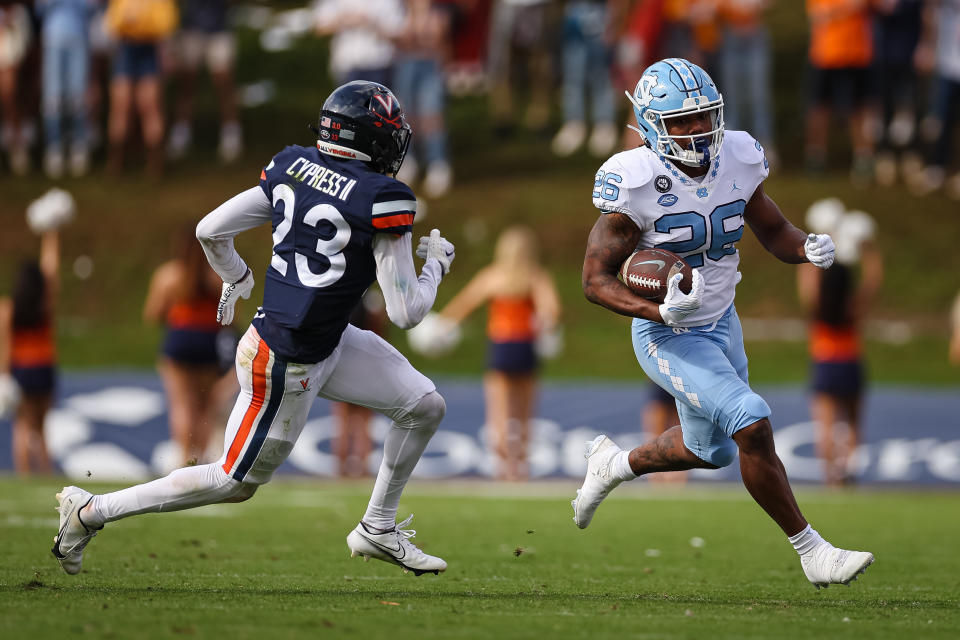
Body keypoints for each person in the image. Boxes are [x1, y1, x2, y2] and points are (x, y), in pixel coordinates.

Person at [51, 80, 457, 578]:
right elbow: (407, 313)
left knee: (424, 406)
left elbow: (209, 230)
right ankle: (90, 512)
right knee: (233, 481)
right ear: (371, 138)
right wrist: (435, 266)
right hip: (286, 361)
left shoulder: (293, 166)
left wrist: (238, 276)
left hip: (321, 341)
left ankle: (377, 526)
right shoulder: (380, 196)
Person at [572, 58, 875, 589]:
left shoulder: (738, 155)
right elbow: (596, 280)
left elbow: (773, 228)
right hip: (667, 333)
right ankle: (813, 551)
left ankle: (613, 464)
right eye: (680, 122)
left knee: (708, 451)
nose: (695, 131)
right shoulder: (634, 180)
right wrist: (657, 311)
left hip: (722, 322)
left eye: (703, 116)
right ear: (648, 125)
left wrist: (807, 246)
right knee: (751, 421)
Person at [431, 225, 561, 481]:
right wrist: (547, 325)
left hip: (501, 347)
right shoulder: (535, 276)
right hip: (525, 347)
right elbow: (552, 310)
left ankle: (503, 469)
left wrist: (439, 327)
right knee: (524, 414)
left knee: (499, 414)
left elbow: (462, 306)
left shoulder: (492, 276)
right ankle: (520, 468)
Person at [798, 206, 882, 486]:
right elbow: (873, 280)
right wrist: (867, 248)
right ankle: (849, 471)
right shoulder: (852, 308)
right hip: (851, 362)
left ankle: (830, 478)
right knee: (854, 424)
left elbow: (808, 282)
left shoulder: (817, 308)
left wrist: (822, 240)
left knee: (826, 426)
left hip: (825, 362)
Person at [143, 225, 238, 469]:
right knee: (205, 405)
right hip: (207, 342)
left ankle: (185, 457)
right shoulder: (216, 276)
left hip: (180, 340)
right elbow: (231, 318)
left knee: (182, 404)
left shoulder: (169, 275)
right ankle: (200, 460)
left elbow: (152, 315)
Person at [0, 192, 72, 474]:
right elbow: (51, 269)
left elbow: (5, 346)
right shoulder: (45, 303)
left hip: (21, 369)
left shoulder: (8, 308)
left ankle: (25, 474)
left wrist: (4, 376)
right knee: (41, 429)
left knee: (22, 426)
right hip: (44, 366)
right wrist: (51, 234)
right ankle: (44, 473)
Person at [166, 0, 243, 164]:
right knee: (186, 85)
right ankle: (181, 134)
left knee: (224, 86)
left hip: (219, 29)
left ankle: (231, 135)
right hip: (190, 28)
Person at [332, 288, 389, 478]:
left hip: (343, 362)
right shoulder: (373, 300)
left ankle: (341, 468)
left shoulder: (343, 294)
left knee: (343, 418)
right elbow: (380, 332)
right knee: (364, 420)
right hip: (367, 364)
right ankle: (362, 468)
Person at [36, 0, 96, 178]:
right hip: (53, 39)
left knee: (78, 96)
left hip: (79, 38)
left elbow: (91, 9)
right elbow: (40, 10)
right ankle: (54, 148)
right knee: (53, 97)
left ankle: (78, 146)